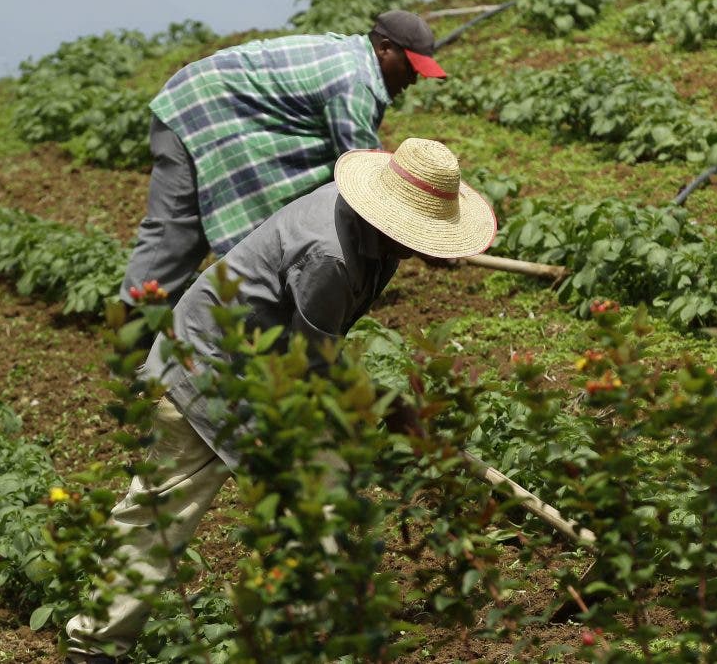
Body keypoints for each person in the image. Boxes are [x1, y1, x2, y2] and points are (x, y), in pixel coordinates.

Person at [65, 137, 496, 663]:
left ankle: (326, 629)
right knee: (164, 512)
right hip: (208, 374)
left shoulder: (370, 237)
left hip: (257, 371)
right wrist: (388, 409)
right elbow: (312, 362)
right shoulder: (331, 256)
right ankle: (94, 648)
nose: (430, 250)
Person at [120, 10, 448, 308]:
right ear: (385, 48)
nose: (412, 80)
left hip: (219, 112)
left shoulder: (354, 59)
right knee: (177, 230)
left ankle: (159, 328)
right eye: (410, 67)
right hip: (196, 110)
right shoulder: (353, 83)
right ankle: (133, 329)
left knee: (191, 236)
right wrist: (422, 240)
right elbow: (364, 177)